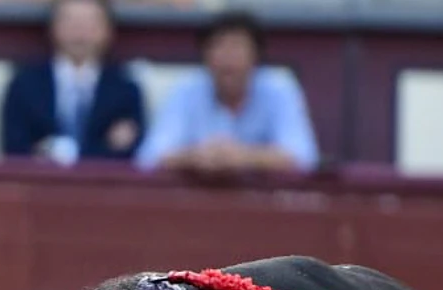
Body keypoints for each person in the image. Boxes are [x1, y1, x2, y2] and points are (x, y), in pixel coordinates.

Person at [134, 10, 319, 176]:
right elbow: (149, 158)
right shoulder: (185, 90)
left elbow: (305, 158)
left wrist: (246, 157)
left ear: (256, 56)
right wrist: (193, 157)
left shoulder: (279, 88)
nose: (228, 57)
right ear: (205, 56)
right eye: (219, 47)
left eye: (237, 47)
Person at [0, 0, 146, 164]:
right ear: (53, 27)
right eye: (70, 21)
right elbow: (14, 147)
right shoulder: (24, 84)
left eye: (89, 23)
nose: (79, 31)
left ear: (108, 30)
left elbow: (130, 150)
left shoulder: (125, 88)